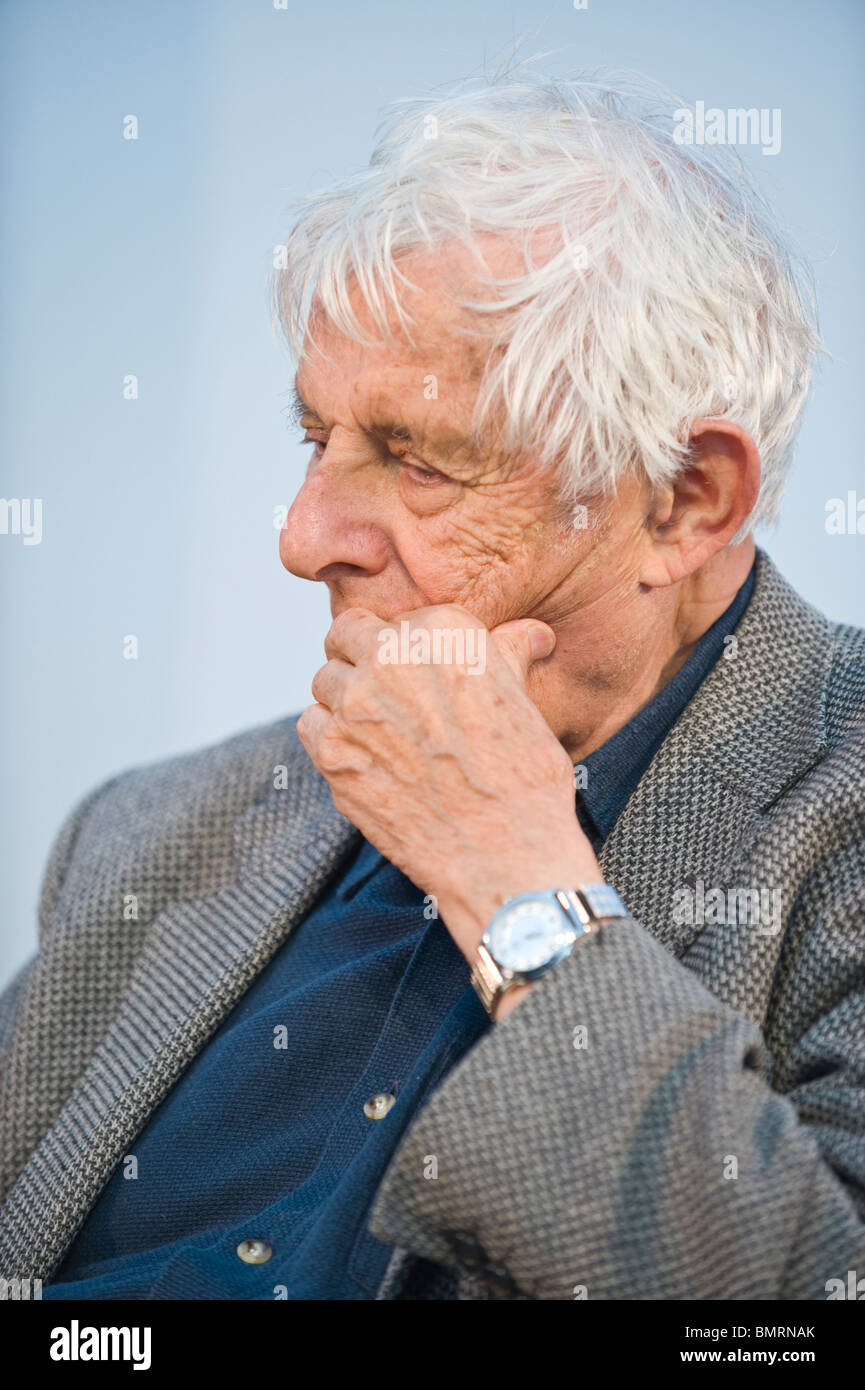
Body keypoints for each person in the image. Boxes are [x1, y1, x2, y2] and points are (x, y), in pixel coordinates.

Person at [2, 71, 863, 1301]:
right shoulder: (147, 834)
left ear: (685, 498)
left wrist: (511, 877)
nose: (304, 540)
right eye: (318, 441)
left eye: (416, 460)